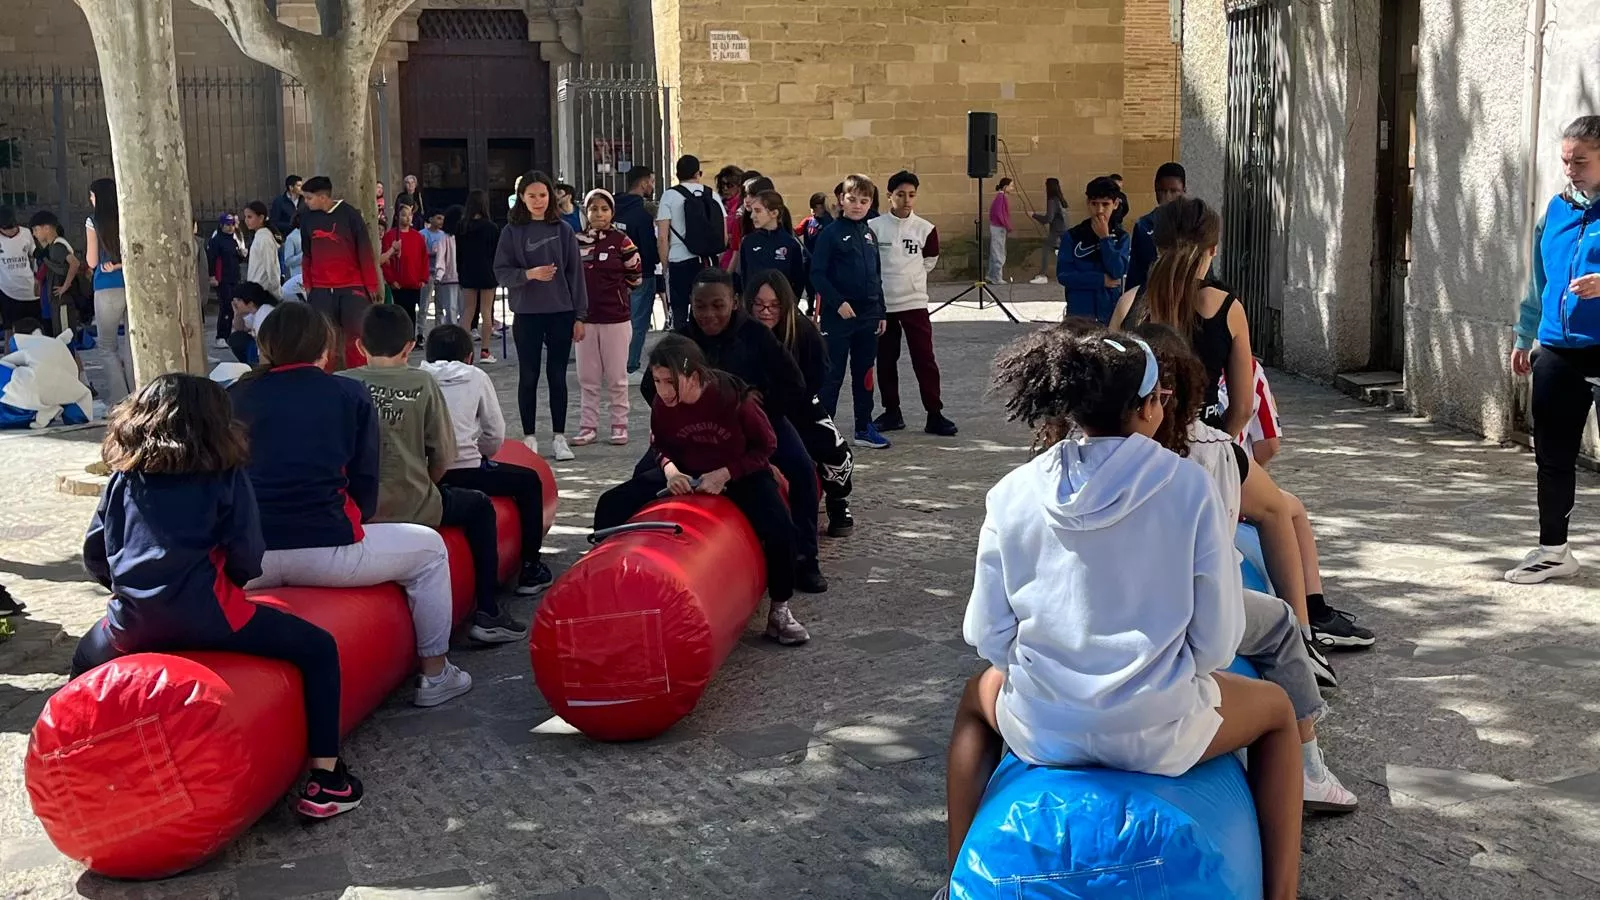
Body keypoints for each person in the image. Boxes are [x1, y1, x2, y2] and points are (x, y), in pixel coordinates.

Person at [946, 325, 1303, 900]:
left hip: (1044, 728)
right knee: (1280, 712)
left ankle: (954, 878)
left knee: (972, 702)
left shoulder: (1012, 491)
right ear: (1146, 407)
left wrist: (1055, 676)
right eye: (1161, 397)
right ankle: (1282, 894)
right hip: (1157, 732)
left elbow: (986, 634)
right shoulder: (1189, 488)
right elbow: (1215, 644)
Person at [70, 372, 363, 818]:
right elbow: (247, 553)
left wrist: (131, 594)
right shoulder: (225, 477)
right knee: (319, 648)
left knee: (81, 662)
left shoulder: (124, 481)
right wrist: (234, 584)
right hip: (213, 616)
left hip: (132, 623)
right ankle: (327, 777)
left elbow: (96, 553)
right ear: (216, 425)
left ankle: (75, 763)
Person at [1136, 322, 1358, 812]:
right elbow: (1209, 592)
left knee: (982, 700)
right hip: (1181, 613)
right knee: (1278, 626)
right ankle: (1307, 766)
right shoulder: (1206, 455)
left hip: (1066, 666)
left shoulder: (1056, 464)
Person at [229, 301, 473, 706]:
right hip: (330, 548)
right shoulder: (347, 392)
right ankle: (436, 673)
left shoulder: (234, 396)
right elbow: (365, 485)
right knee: (431, 550)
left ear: (265, 345)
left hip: (251, 559)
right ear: (326, 349)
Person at [596, 333, 809, 644]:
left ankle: (780, 610)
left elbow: (767, 446)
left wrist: (726, 473)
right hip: (686, 471)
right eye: (657, 380)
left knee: (780, 528)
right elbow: (659, 446)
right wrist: (671, 471)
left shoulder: (737, 400)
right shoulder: (662, 403)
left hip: (738, 471)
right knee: (610, 503)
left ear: (693, 376)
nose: (662, 390)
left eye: (670, 381)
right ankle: (605, 589)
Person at [342, 305, 526, 643]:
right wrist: (426, 483)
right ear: (410, 346)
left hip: (352, 507)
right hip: (412, 502)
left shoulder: (340, 383)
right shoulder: (422, 382)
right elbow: (443, 454)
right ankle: (487, 609)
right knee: (479, 507)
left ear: (358, 346)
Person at [647, 269, 833, 591]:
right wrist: (677, 409)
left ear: (734, 303)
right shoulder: (682, 340)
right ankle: (646, 552)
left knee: (802, 471)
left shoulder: (757, 335)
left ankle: (805, 558)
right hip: (697, 431)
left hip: (755, 425)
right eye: (700, 305)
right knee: (643, 475)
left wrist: (763, 405)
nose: (708, 314)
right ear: (690, 304)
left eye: (717, 305)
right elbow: (650, 389)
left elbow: (795, 382)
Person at [1508, 116, 1600, 584]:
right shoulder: (1557, 210)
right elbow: (1538, 280)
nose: (1571, 170)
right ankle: (1554, 551)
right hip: (1558, 350)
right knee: (1553, 455)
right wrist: (1526, 336)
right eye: (1566, 160)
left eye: (1580, 161)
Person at [423, 324, 553, 595]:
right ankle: (531, 567)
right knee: (529, 481)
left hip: (425, 472)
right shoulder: (476, 376)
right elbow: (494, 433)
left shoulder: (417, 377)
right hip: (466, 468)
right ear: (469, 356)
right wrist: (481, 454)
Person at [1111, 196, 1252, 438]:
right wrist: (1219, 444)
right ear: (1213, 249)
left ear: (1156, 247)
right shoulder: (1227, 307)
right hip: (1203, 438)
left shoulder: (1129, 303)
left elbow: (1109, 387)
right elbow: (1243, 408)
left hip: (1139, 443)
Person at [745, 269, 856, 537]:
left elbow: (816, 376)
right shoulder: (739, 331)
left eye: (773, 305)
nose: (766, 312)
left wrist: (785, 400)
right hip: (750, 408)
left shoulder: (803, 331)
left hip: (798, 404)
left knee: (835, 446)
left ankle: (838, 501)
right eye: (759, 305)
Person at [495, 170, 588, 462]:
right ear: (522, 197)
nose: (538, 201)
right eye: (532, 195)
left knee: (558, 375)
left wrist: (580, 315)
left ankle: (560, 437)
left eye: (543, 195)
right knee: (529, 375)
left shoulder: (563, 231)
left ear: (552, 197)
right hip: (527, 313)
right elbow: (501, 272)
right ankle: (529, 436)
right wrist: (528, 275)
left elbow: (576, 275)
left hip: (561, 312)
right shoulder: (511, 232)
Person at [870, 171, 956, 437]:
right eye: (900, 195)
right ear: (889, 196)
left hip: (914, 304)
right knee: (885, 360)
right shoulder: (874, 227)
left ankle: (934, 413)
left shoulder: (926, 229)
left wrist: (911, 281)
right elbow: (870, 264)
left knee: (924, 359)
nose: (907, 200)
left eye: (912, 195)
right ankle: (892, 412)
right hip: (884, 305)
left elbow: (929, 261)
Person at [812, 173, 890, 450]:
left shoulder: (869, 233)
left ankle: (863, 426)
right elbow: (817, 274)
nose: (858, 205)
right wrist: (838, 302)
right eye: (852, 199)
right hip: (839, 317)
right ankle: (824, 430)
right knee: (832, 374)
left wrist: (881, 311)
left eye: (864, 200)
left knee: (865, 372)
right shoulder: (830, 234)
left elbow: (877, 275)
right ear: (841, 200)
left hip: (868, 317)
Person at [573, 189, 641, 446]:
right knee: (587, 378)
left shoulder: (622, 241)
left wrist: (617, 295)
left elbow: (635, 274)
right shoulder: (576, 241)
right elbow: (571, 277)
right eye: (593, 209)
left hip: (616, 319)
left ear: (612, 212)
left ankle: (619, 425)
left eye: (604, 209)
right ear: (586, 212)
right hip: (585, 321)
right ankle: (588, 426)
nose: (598, 214)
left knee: (616, 377)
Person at [299, 176, 379, 370]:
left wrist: (372, 285)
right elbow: (307, 254)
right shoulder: (307, 218)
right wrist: (308, 284)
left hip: (352, 287)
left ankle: (359, 375)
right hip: (320, 289)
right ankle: (326, 378)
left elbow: (364, 250)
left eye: (309, 198)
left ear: (323, 197)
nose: (306, 202)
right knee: (324, 338)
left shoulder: (350, 215)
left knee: (356, 336)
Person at [657, 155, 724, 330]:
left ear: (677, 174)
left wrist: (665, 266)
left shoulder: (669, 196)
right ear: (698, 173)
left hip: (679, 261)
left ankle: (683, 353)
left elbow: (663, 237)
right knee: (706, 309)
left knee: (679, 311)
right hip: (708, 261)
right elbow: (723, 236)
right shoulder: (712, 195)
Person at [1059, 176, 1131, 323]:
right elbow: (1064, 275)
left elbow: (1118, 271)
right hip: (1079, 314)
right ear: (1088, 203)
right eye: (1095, 204)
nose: (1099, 210)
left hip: (1109, 315)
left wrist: (1105, 239)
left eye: (1105, 204)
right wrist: (1099, 280)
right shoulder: (1072, 236)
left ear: (1115, 204)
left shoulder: (1121, 237)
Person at [86, 178, 133, 403]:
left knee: (107, 346)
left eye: (92, 196)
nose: (90, 200)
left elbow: (92, 261)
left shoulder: (92, 222)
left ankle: (120, 399)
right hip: (132, 286)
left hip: (106, 287)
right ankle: (138, 394)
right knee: (131, 344)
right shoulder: (128, 217)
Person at [615, 166, 660, 378]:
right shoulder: (641, 214)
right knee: (638, 322)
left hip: (613, 275)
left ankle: (614, 363)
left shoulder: (613, 208)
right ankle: (630, 365)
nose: (652, 185)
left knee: (616, 321)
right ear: (643, 183)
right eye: (651, 181)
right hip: (641, 274)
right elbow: (649, 249)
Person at [457, 190, 502, 363]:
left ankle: (464, 353)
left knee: (467, 311)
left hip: (468, 270)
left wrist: (460, 273)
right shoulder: (491, 227)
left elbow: (459, 254)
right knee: (486, 311)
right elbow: (496, 253)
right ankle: (485, 351)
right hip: (487, 271)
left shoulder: (462, 226)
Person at [1128, 162, 1187, 291]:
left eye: (1174, 191)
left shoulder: (1193, 224)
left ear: (1183, 190)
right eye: (1162, 191)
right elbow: (1135, 273)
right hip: (1151, 299)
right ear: (1155, 190)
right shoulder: (1143, 226)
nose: (1167, 196)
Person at [737, 189, 806, 297]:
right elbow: (744, 277)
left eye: (758, 211)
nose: (752, 216)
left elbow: (798, 280)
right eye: (752, 211)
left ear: (774, 213)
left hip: (780, 306)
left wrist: (790, 305)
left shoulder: (790, 244)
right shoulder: (748, 242)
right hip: (754, 306)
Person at [381, 200, 429, 338]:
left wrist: (423, 278)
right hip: (398, 283)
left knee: (411, 311)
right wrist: (391, 280)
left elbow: (423, 258)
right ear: (397, 216)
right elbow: (385, 261)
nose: (407, 218)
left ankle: (411, 337)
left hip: (414, 281)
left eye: (409, 215)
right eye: (404, 215)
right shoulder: (390, 236)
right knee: (398, 312)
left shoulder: (418, 237)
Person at [28, 211, 80, 336]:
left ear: (46, 228)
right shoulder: (51, 247)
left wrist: (65, 286)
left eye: (35, 229)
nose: (34, 234)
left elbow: (75, 263)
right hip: (57, 301)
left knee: (65, 337)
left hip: (63, 301)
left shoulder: (57, 247)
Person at [207, 213, 247, 348]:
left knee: (233, 307)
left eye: (231, 225)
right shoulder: (216, 240)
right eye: (227, 225)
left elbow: (237, 258)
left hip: (234, 277)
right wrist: (212, 276)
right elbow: (212, 259)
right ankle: (221, 336)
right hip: (222, 279)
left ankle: (228, 334)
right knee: (225, 307)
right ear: (221, 225)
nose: (230, 228)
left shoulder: (233, 240)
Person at [0, 206, 37, 345]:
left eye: (12, 229)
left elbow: (35, 255)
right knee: (10, 329)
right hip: (7, 290)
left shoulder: (26, 233)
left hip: (29, 290)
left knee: (35, 327)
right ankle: (9, 360)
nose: (10, 232)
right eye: (5, 230)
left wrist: (38, 278)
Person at [226, 281, 279, 365]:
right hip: (270, 350)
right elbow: (239, 328)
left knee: (250, 346)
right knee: (236, 338)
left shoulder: (263, 314)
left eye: (239, 300)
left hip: (272, 353)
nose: (236, 303)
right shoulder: (256, 311)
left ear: (250, 303)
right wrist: (237, 313)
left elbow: (264, 348)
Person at [1028, 177, 1068, 285]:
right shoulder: (1060, 199)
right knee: (1063, 251)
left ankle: (1042, 275)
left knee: (1045, 249)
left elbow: (1048, 219)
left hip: (1056, 231)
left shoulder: (1052, 200)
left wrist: (1034, 215)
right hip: (1063, 230)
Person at [797, 192, 832, 315]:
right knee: (809, 286)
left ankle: (821, 308)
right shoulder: (808, 221)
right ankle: (810, 305)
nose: (812, 210)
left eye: (815, 207)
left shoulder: (830, 223)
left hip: (822, 261)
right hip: (808, 260)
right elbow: (796, 231)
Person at [241, 201, 282, 300]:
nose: (246, 220)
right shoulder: (259, 236)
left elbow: (271, 267)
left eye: (250, 217)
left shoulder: (264, 238)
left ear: (261, 218)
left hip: (264, 291)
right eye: (245, 217)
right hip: (256, 289)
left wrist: (276, 293)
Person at [431, 205, 462, 329]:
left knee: (457, 310)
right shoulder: (445, 239)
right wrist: (439, 276)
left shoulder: (459, 237)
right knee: (451, 310)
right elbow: (441, 260)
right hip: (449, 279)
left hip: (460, 279)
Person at [420, 210, 450, 329]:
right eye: (438, 218)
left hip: (441, 273)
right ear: (431, 219)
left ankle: (439, 329)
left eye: (442, 218)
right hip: (427, 273)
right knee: (424, 304)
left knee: (440, 305)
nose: (441, 221)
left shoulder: (444, 235)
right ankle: (420, 331)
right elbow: (420, 253)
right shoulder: (422, 234)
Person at [715, 165, 746, 270]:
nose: (725, 188)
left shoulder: (742, 207)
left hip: (735, 259)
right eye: (722, 184)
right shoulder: (719, 204)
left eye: (729, 185)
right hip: (720, 257)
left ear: (739, 186)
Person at [986, 178, 1014, 285]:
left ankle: (991, 275)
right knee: (999, 252)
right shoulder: (1001, 197)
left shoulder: (1000, 197)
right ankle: (996, 277)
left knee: (996, 251)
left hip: (997, 227)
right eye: (1011, 186)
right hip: (999, 227)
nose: (1012, 188)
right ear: (1005, 187)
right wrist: (1007, 225)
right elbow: (999, 213)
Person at [280, 210, 305, 298]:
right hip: (297, 278)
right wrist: (304, 255)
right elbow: (288, 261)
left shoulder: (312, 234)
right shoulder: (291, 237)